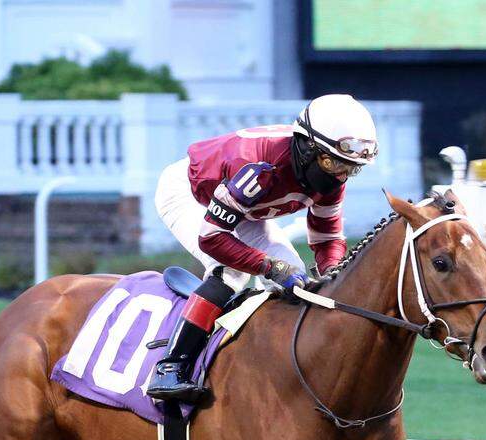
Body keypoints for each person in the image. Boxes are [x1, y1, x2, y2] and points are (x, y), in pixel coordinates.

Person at [148, 94, 379, 402]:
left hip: (246, 210)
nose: (340, 175)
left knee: (300, 282)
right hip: (192, 196)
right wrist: (268, 266)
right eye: (333, 163)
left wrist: (334, 274)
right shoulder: (258, 166)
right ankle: (169, 368)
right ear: (308, 147)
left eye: (350, 168)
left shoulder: (331, 177)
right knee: (230, 272)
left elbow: (326, 238)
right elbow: (212, 238)